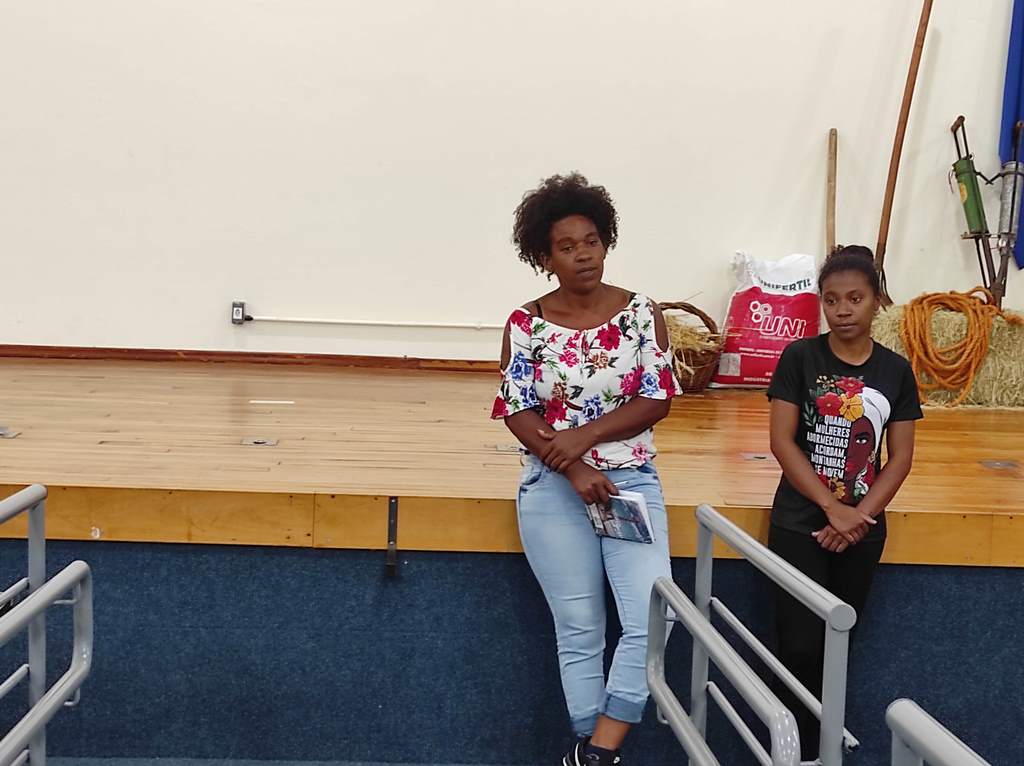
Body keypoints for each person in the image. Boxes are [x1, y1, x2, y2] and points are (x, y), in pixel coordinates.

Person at [490, 172, 682, 766]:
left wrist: (585, 438)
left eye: (592, 241)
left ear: (607, 241)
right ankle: (593, 753)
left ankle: (598, 749)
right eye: (567, 246)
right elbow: (516, 409)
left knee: (654, 617)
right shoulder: (525, 324)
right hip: (554, 486)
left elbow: (657, 399)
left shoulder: (642, 313)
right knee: (579, 627)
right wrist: (574, 469)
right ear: (545, 258)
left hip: (629, 480)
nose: (583, 255)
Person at [766, 245, 923, 760]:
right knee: (798, 647)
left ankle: (823, 750)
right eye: (831, 300)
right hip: (799, 522)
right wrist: (832, 508)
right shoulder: (799, 358)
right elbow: (782, 441)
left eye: (855, 298)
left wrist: (859, 516)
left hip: (862, 529)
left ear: (877, 300)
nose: (842, 310)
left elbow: (899, 457)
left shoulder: (896, 371)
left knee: (838, 649)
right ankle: (791, 751)